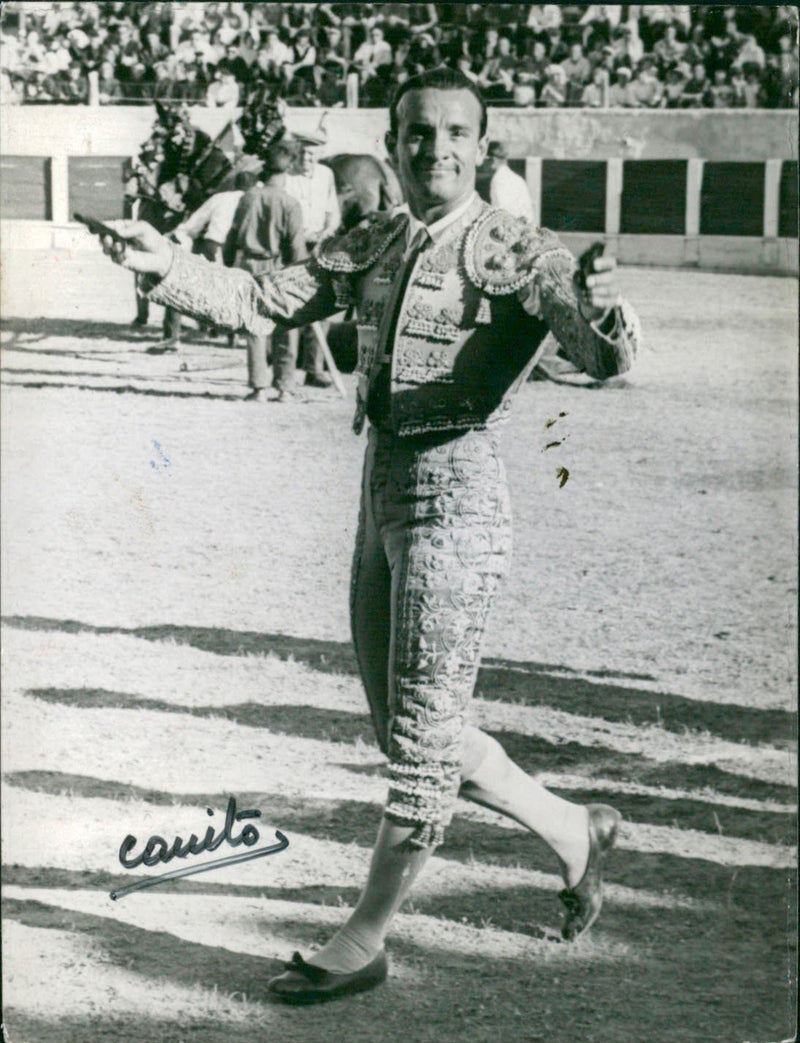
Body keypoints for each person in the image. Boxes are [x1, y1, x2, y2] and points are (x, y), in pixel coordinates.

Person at [101, 67, 640, 1005]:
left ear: (484, 147)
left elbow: (595, 357)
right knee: (407, 731)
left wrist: (602, 309)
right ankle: (571, 829)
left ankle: (366, 935)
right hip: (380, 491)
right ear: (393, 146)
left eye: (453, 133)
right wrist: (164, 266)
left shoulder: (520, 248)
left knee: (424, 746)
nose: (434, 149)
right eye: (416, 134)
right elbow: (266, 299)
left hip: (458, 499)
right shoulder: (377, 238)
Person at [229, 139, 307, 402]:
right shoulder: (290, 203)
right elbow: (296, 248)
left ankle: (259, 387)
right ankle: (285, 387)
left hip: (250, 265)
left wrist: (230, 264)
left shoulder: (248, 198)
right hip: (280, 267)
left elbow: (232, 237)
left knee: (255, 326)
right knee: (287, 324)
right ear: (286, 173)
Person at [284, 126, 342, 389]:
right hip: (294, 249)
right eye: (303, 154)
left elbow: (334, 213)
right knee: (291, 309)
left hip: (320, 248)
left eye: (312, 155)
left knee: (322, 308)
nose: (307, 159)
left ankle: (314, 369)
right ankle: (286, 372)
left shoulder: (326, 175)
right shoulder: (287, 177)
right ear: (296, 152)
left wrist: (326, 233)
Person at [483, 140, 534, 221]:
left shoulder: (499, 180)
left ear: (492, 160)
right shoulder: (518, 179)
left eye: (484, 160)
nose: (483, 164)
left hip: (510, 229)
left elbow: (501, 214)